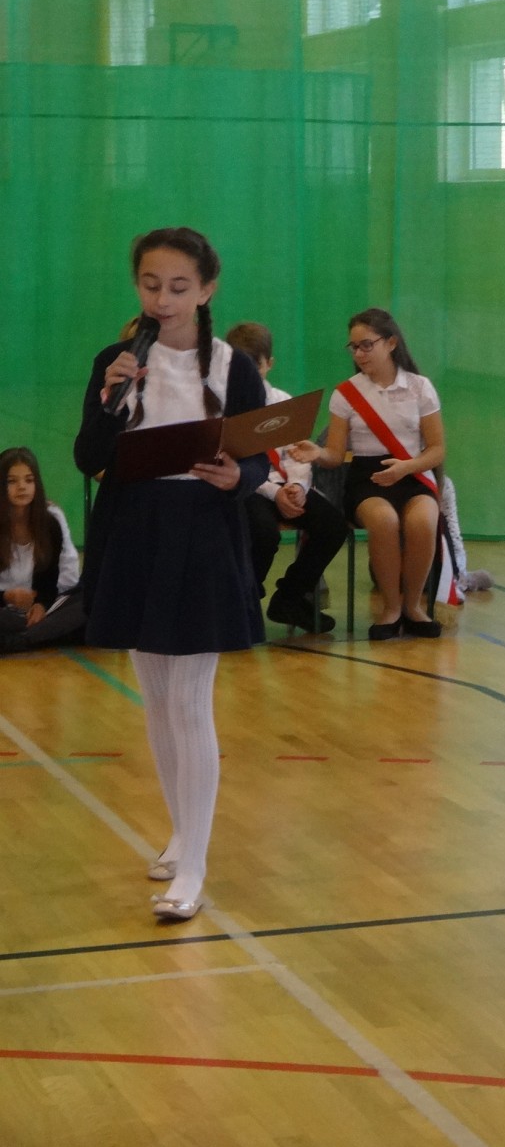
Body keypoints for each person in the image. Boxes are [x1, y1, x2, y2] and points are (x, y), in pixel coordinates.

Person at [74, 226, 269, 922]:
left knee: (189, 701)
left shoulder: (234, 368)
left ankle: (194, 866)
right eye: (151, 285)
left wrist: (237, 476)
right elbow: (88, 458)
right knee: (155, 699)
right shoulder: (117, 359)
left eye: (179, 287)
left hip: (202, 534)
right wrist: (110, 400)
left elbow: (259, 459)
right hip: (133, 529)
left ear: (207, 290)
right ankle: (181, 832)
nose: (162, 299)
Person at [289, 308, 446, 640]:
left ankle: (413, 607)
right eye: (354, 347)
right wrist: (317, 453)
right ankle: (391, 608)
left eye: (366, 345)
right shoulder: (346, 394)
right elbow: (335, 455)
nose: (359, 354)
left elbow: (436, 450)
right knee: (384, 521)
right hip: (366, 480)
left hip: (413, 474)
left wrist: (406, 467)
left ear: (391, 343)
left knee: (423, 521)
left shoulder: (420, 387)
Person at [226, 322, 346, 633]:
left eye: (255, 365)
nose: (247, 373)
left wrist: (297, 486)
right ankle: (244, 603)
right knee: (264, 532)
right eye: (238, 365)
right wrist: (274, 492)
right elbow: (234, 464)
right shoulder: (223, 407)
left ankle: (290, 597)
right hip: (249, 487)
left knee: (333, 525)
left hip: (286, 484)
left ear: (269, 364)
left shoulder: (283, 401)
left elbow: (297, 454)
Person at [0, 446, 86, 654]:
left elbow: (49, 581)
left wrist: (41, 605)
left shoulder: (49, 523)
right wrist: (7, 596)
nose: (22, 487)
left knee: (89, 600)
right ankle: (46, 635)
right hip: (4, 608)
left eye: (29, 480)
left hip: (42, 610)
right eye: (12, 481)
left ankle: (22, 640)